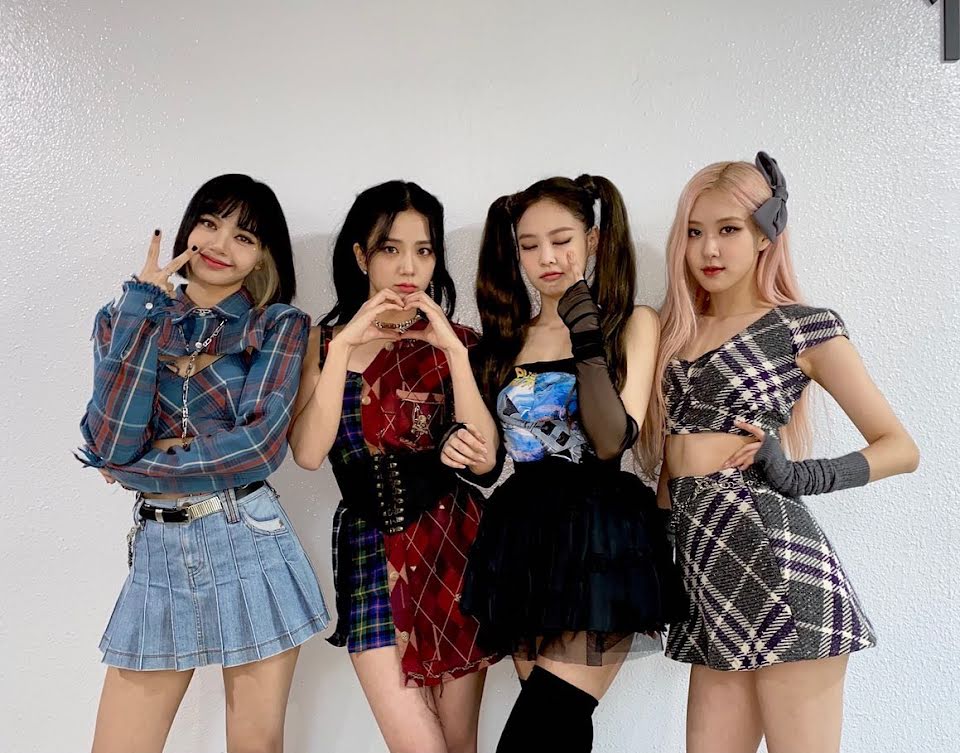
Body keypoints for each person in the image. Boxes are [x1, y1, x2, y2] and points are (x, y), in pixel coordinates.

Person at [640, 153, 920, 753]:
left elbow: (900, 448)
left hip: (781, 566)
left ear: (766, 235)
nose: (708, 249)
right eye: (695, 231)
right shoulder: (673, 331)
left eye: (728, 229)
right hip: (706, 573)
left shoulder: (804, 327)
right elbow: (669, 461)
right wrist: (658, 553)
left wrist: (795, 474)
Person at [79, 174, 328, 753]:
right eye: (210, 223)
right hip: (158, 551)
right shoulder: (124, 319)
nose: (220, 244)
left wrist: (136, 466)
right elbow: (111, 440)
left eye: (244, 236)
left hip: (249, 539)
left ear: (263, 256)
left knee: (254, 746)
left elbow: (257, 449)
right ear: (188, 229)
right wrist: (142, 310)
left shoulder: (277, 325)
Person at [455, 175, 686, 753]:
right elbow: (491, 463)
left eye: (561, 240)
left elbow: (612, 441)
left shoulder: (631, 322)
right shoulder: (509, 338)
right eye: (529, 245)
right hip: (522, 542)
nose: (547, 258)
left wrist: (586, 335)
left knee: (538, 734)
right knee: (560, 738)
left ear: (594, 240)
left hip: (601, 537)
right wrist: (457, 449)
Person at [289, 181, 499, 753]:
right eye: (390, 249)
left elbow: (485, 458)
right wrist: (344, 346)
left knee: (459, 743)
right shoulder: (322, 343)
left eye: (424, 250)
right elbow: (307, 453)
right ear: (361, 256)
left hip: (453, 550)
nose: (409, 266)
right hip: (370, 551)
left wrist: (453, 351)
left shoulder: (460, 343)